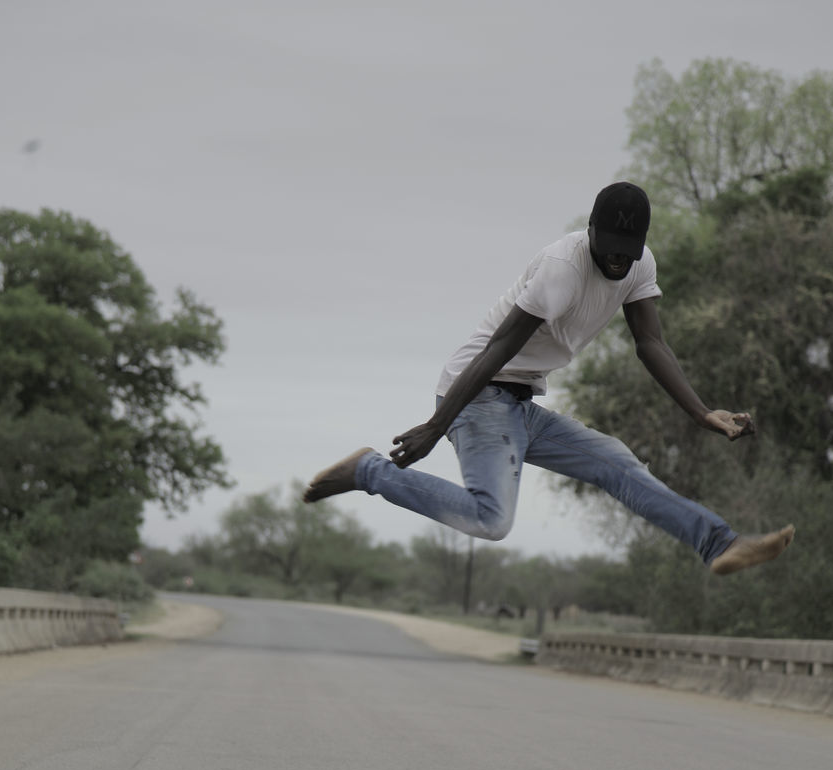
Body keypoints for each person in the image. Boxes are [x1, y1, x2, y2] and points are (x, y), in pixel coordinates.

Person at [304, 182, 794, 576]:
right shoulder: (562, 269)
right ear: (590, 232)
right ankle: (370, 471)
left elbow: (651, 343)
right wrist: (437, 425)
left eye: (629, 251)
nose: (617, 260)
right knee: (491, 519)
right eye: (610, 249)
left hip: (521, 405)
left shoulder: (640, 266)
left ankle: (718, 543)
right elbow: (498, 348)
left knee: (617, 465)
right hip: (477, 395)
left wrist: (701, 412)